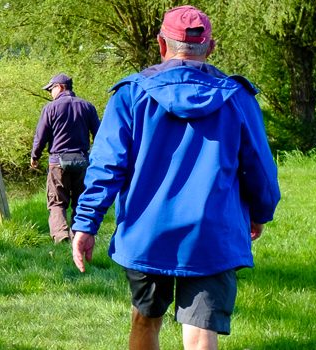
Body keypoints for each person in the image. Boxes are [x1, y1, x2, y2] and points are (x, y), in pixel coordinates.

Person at [68, 6, 281, 350]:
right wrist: (260, 212)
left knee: (145, 317)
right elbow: (259, 166)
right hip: (212, 232)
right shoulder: (237, 98)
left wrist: (85, 224)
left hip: (147, 232)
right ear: (210, 48)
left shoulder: (131, 95)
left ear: (161, 45)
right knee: (200, 333)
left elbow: (107, 167)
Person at [31, 73, 100, 244]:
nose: (50, 93)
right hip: (81, 161)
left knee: (57, 202)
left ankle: (61, 236)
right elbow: (99, 134)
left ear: (60, 87)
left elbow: (41, 136)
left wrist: (35, 156)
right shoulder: (87, 107)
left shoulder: (50, 108)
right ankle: (79, 234)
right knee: (80, 200)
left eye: (50, 89)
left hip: (58, 162)